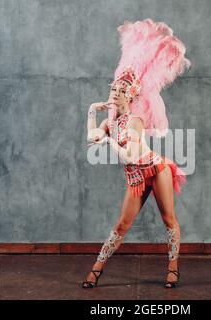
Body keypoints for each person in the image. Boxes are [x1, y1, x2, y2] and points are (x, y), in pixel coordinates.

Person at [82, 18, 191, 289]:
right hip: (135, 179)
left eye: (120, 91)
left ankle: (173, 269)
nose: (115, 93)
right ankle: (96, 270)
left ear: (130, 97)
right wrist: (92, 112)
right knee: (121, 226)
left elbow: (129, 156)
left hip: (155, 170)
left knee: (168, 219)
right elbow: (91, 136)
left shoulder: (134, 121)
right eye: (113, 90)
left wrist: (107, 144)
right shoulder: (111, 123)